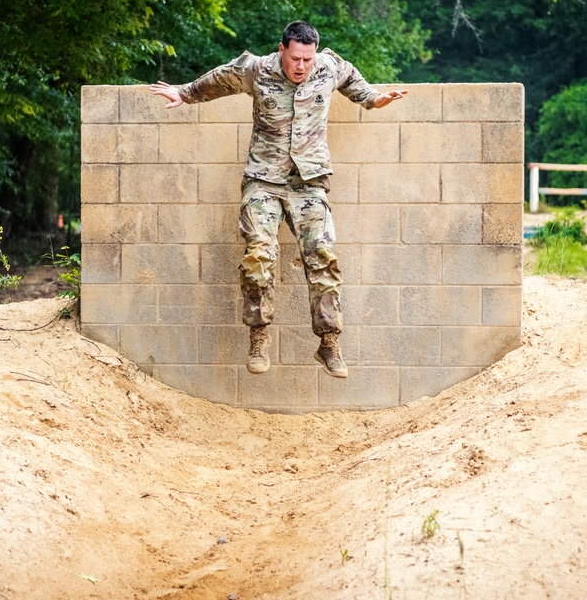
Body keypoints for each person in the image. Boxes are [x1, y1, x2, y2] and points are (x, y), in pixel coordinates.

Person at [150, 21, 406, 379]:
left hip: (310, 181)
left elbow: (353, 82)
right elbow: (221, 78)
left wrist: (374, 98)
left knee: (322, 256)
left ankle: (329, 342)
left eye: (308, 58)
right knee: (259, 256)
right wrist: (186, 93)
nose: (302, 66)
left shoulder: (328, 66)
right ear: (282, 49)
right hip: (263, 181)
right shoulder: (257, 69)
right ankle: (259, 336)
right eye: (296, 58)